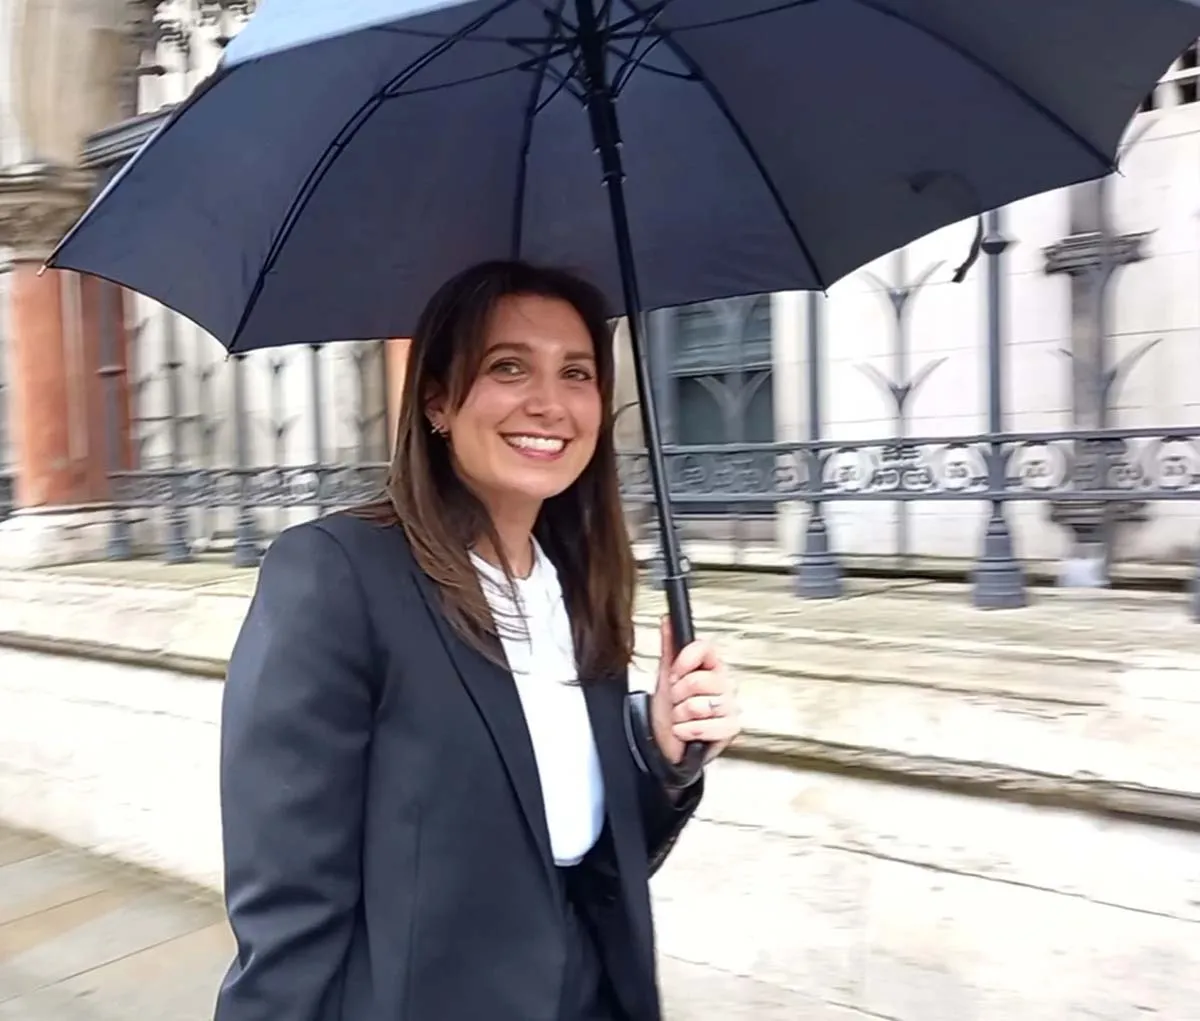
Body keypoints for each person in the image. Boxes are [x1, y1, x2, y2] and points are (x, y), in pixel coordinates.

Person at [213, 260, 741, 1021]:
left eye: (577, 373)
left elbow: (580, 851)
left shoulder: (578, 587)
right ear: (437, 399)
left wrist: (660, 758)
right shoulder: (339, 573)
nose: (549, 403)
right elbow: (287, 900)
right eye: (508, 367)